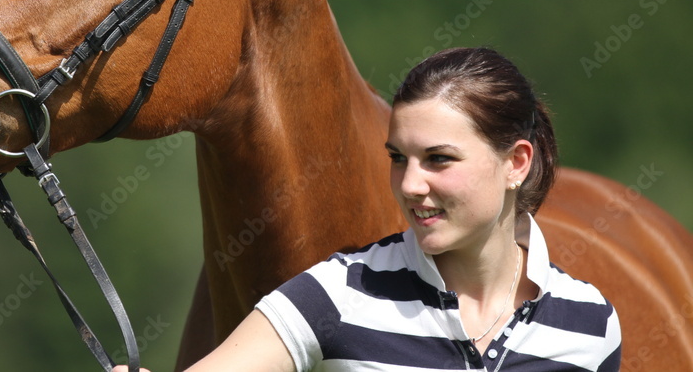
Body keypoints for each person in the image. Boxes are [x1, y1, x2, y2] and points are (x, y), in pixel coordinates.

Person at [115, 46, 621, 371]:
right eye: (399, 158)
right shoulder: (335, 293)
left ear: (516, 163)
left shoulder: (592, 326)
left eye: (439, 159)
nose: (410, 184)